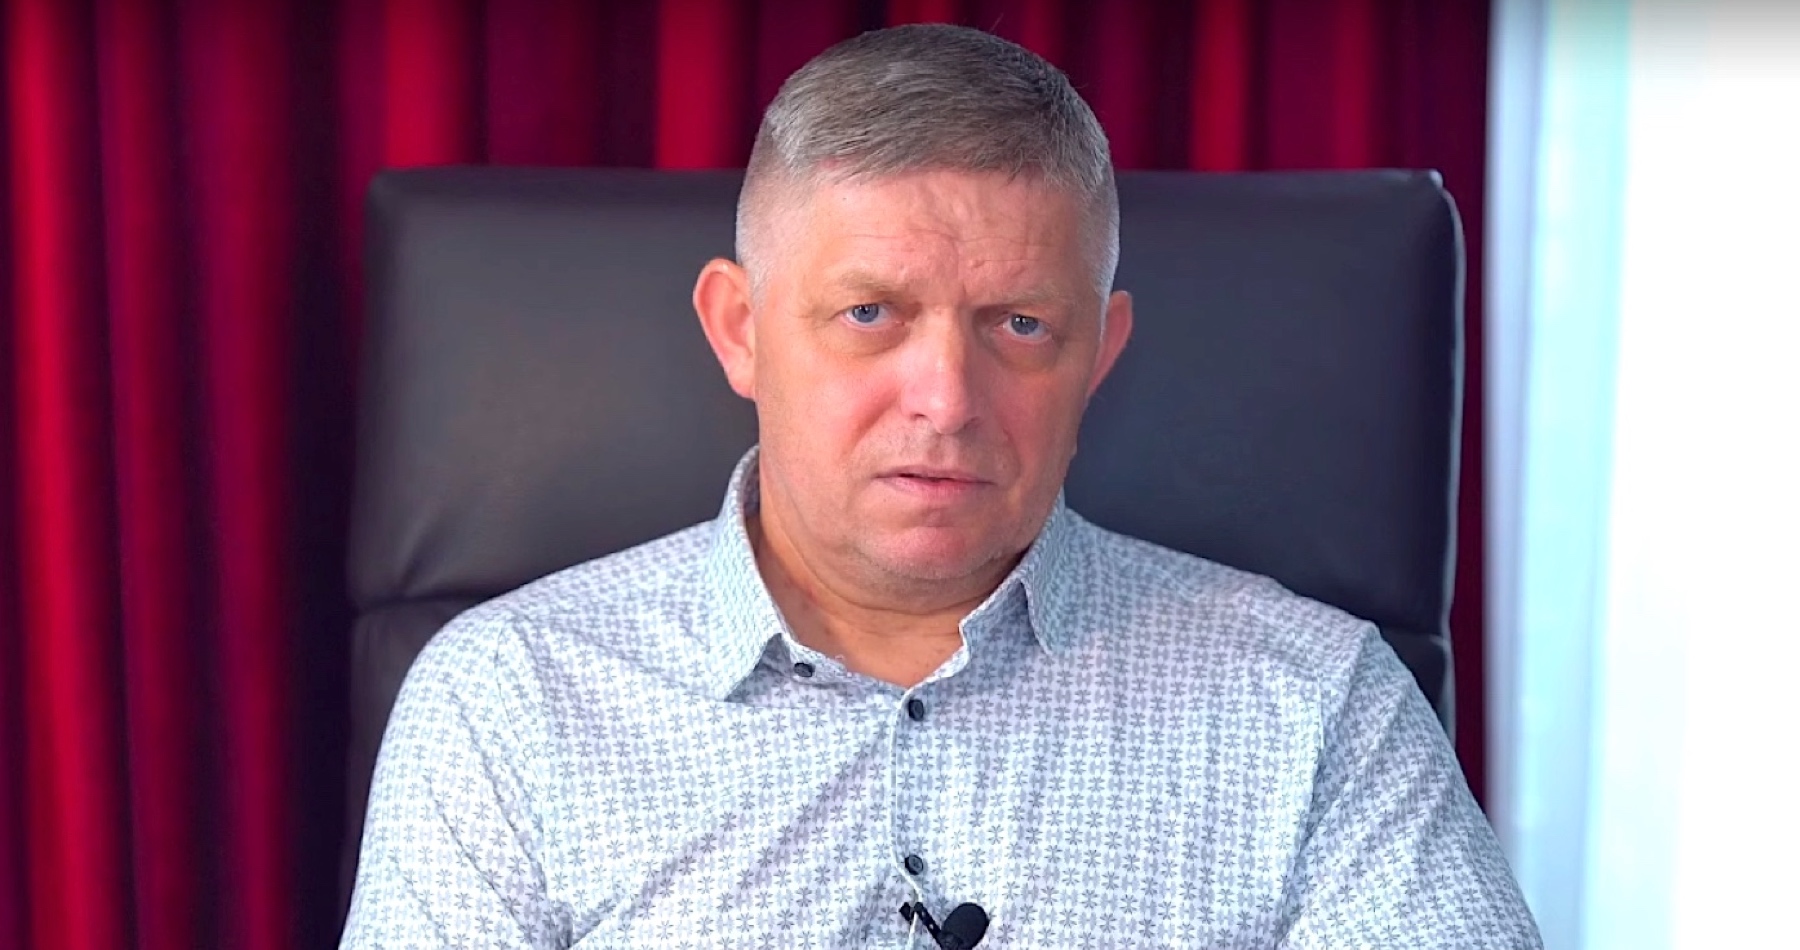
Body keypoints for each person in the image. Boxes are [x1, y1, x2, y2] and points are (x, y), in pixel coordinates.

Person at [341, 23, 1540, 949]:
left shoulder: (1319, 708)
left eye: (1020, 323)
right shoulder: (509, 701)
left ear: (1099, 354)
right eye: (871, 313)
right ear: (741, 329)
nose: (948, 397)